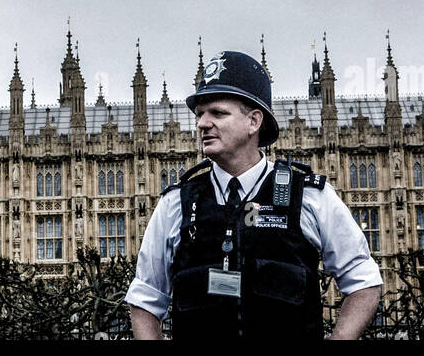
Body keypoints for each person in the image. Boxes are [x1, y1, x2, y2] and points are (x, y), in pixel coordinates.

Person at [127, 50, 382, 340]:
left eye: (218, 113)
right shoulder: (176, 204)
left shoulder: (309, 197)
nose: (201, 123)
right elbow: (145, 299)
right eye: (199, 114)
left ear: (254, 121)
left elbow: (364, 281)